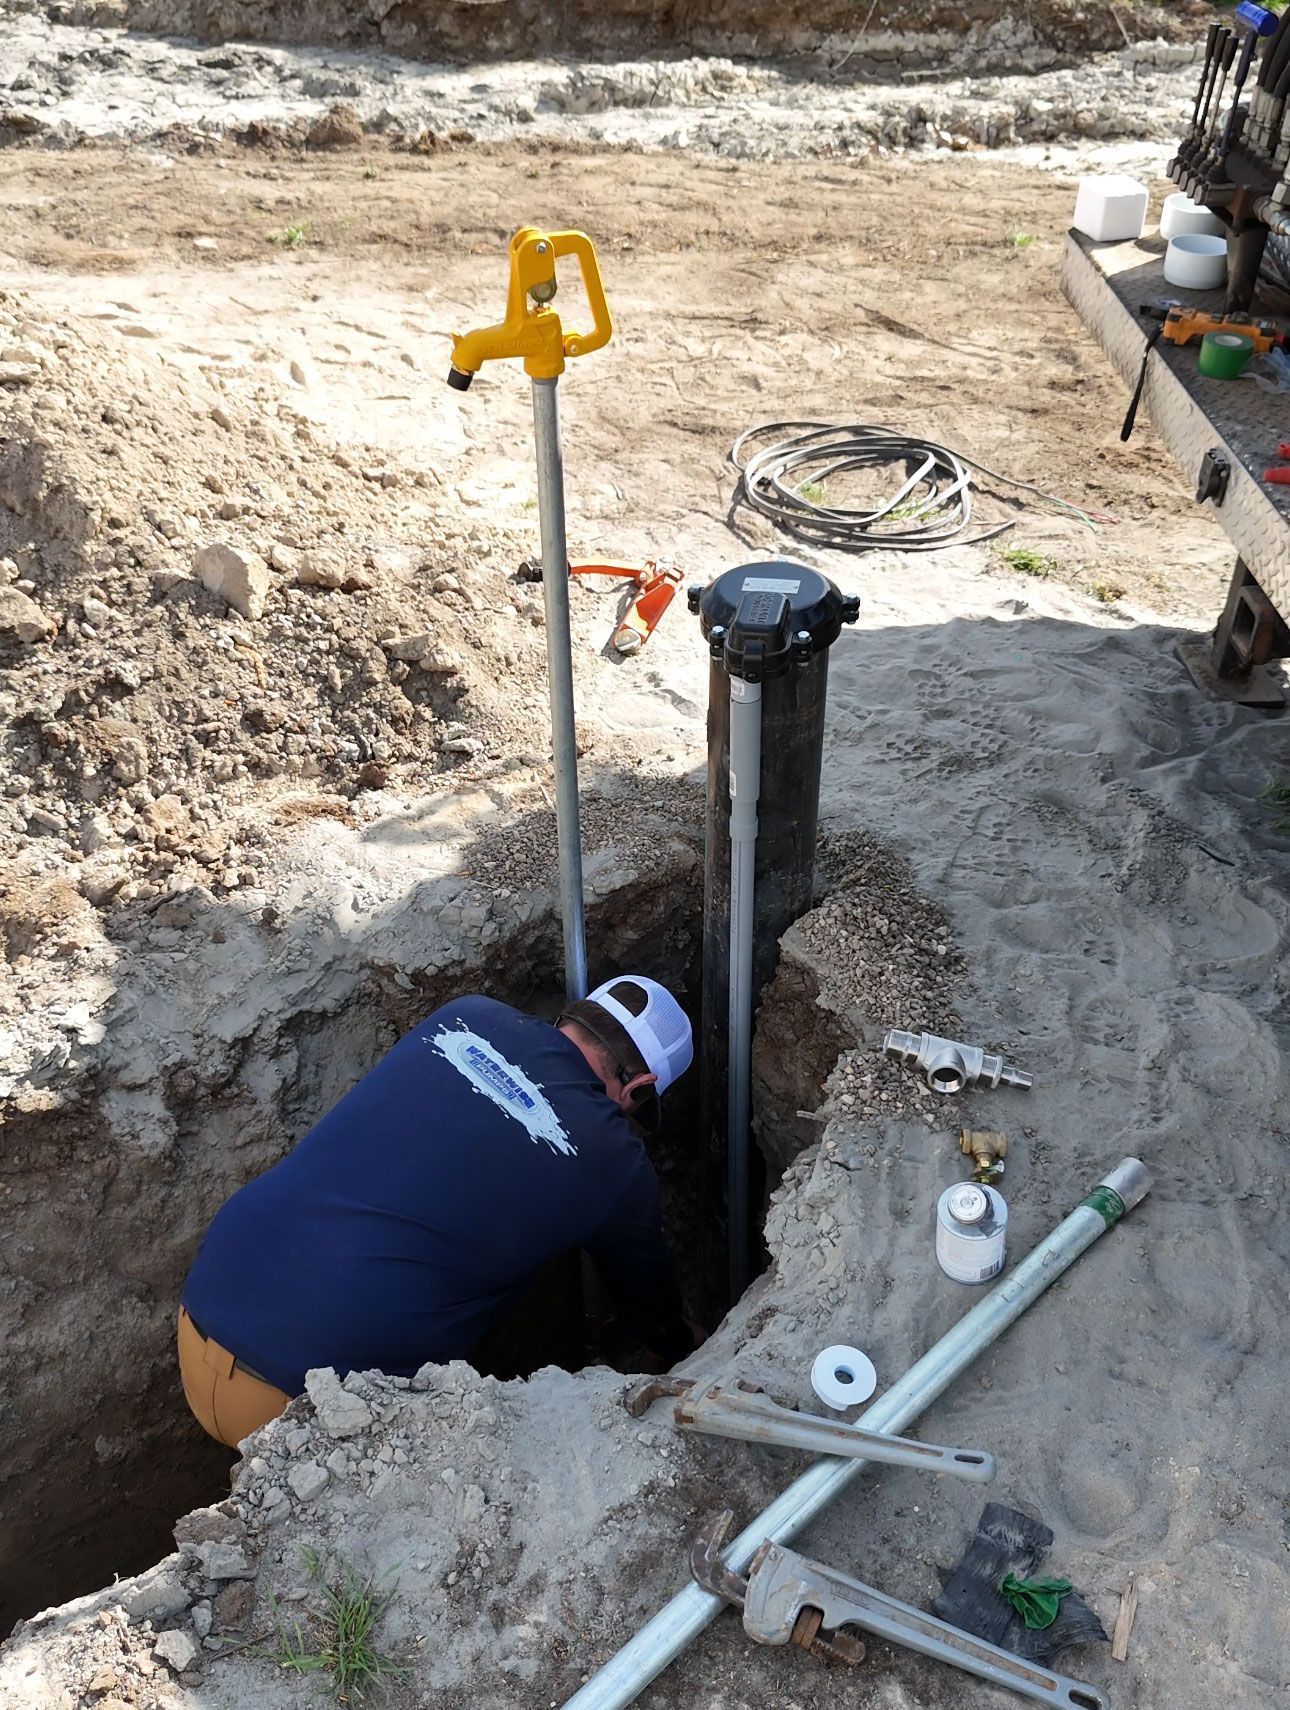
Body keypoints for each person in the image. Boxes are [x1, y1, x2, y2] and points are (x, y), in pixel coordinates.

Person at [178, 974, 696, 1447]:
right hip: (311, 1390)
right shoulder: (612, 1158)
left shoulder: (468, 1014)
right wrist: (679, 1346)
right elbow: (646, 1298)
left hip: (208, 1303)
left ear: (570, 1018)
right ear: (639, 1088)